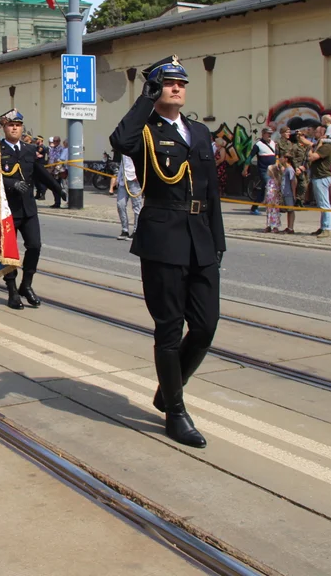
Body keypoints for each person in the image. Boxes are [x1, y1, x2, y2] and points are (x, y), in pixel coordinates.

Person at [110, 55, 225, 449]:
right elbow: (120, 141)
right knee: (170, 330)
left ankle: (167, 389)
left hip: (201, 238)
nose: (176, 88)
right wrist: (146, 98)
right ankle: (176, 411)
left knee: (206, 327)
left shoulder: (199, 132)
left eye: (180, 83)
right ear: (156, 88)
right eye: (168, 83)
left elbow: (212, 192)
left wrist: (219, 241)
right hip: (163, 239)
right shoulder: (143, 131)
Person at [0, 113, 63, 309]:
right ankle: (12, 291)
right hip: (7, 208)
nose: (15, 128)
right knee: (9, 252)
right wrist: (11, 183)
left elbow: (39, 171)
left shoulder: (29, 148)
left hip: (28, 209)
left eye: (18, 125)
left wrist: (57, 188)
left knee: (34, 246)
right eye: (11, 125)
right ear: (4, 128)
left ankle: (26, 285)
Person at [307, 125, 331, 237]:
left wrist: (309, 147)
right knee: (321, 203)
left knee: (324, 204)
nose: (314, 133)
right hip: (317, 176)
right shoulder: (320, 145)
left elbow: (312, 157)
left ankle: (327, 228)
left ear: (323, 134)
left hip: (322, 177)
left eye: (317, 132)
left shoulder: (326, 146)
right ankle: (323, 226)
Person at [242, 128, 277, 215]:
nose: (269, 135)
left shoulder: (273, 143)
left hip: (273, 170)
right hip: (264, 170)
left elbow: (276, 156)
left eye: (270, 134)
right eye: (268, 133)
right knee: (270, 186)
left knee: (263, 189)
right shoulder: (258, 145)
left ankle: (254, 207)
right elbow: (250, 157)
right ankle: (271, 210)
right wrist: (245, 169)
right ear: (263, 134)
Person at [110, 153, 143, 241]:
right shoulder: (124, 151)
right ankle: (125, 230)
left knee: (137, 207)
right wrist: (118, 178)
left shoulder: (138, 148)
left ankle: (136, 231)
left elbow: (143, 163)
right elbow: (123, 164)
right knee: (120, 205)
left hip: (134, 181)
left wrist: (138, 175)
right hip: (123, 181)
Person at [278, 153, 297, 234]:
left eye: (281, 157)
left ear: (286, 159)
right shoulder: (285, 169)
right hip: (285, 192)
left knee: (290, 210)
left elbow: (293, 181)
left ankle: (291, 228)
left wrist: (294, 194)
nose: (280, 159)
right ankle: (288, 227)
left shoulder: (290, 169)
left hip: (289, 192)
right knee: (288, 211)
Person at [264, 159, 283, 233]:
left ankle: (275, 226)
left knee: (275, 213)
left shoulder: (276, 181)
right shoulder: (269, 180)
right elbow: (267, 189)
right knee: (268, 212)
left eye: (268, 171)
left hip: (274, 199)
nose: (267, 172)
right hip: (269, 199)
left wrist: (275, 199)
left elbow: (277, 191)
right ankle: (268, 225)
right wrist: (265, 199)